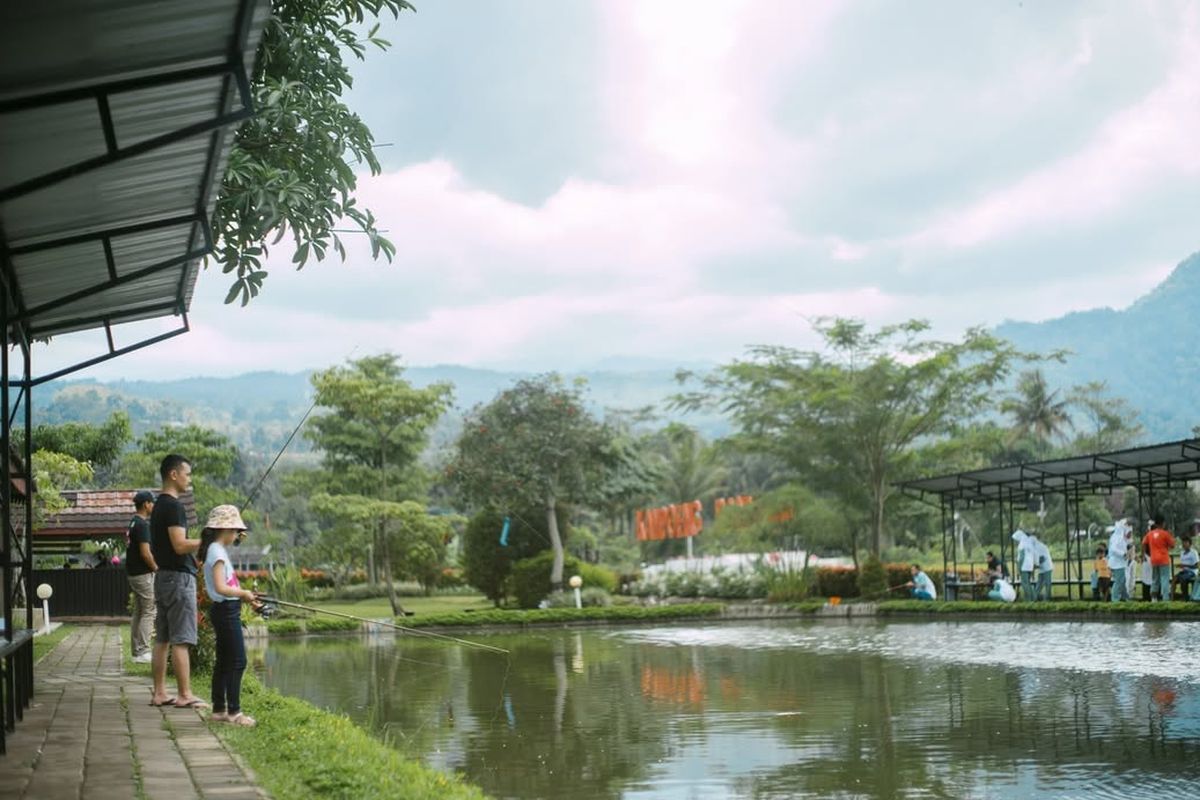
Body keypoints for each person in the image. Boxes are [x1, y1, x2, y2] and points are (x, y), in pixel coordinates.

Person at [150, 454, 205, 709]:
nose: (189, 479)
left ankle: (160, 693)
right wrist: (208, 541)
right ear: (174, 474)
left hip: (163, 577)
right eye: (187, 473)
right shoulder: (174, 506)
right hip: (178, 579)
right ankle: (185, 694)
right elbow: (180, 545)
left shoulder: (158, 505)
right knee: (181, 638)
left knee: (162, 638)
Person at [200, 505, 260, 727]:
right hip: (226, 611)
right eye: (235, 530)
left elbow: (227, 585)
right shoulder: (216, 552)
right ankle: (234, 713)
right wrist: (243, 594)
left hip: (225, 609)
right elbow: (221, 587)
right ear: (225, 529)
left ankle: (219, 710)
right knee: (238, 661)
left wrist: (247, 597)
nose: (237, 535)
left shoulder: (216, 549)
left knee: (224, 661)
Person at [125, 490, 158, 663]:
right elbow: (145, 553)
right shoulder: (143, 525)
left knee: (139, 612)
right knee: (149, 611)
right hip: (142, 574)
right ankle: (144, 651)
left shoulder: (133, 523)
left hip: (133, 573)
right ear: (146, 504)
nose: (153, 506)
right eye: (152, 503)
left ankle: (136, 652)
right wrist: (156, 568)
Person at [1142, 516, 1176, 602]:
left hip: (1154, 559)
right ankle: (1165, 598)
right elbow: (1172, 545)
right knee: (1164, 578)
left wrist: (1144, 554)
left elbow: (1144, 543)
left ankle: (1154, 598)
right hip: (1163, 559)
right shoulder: (1165, 534)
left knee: (1155, 579)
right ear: (1163, 523)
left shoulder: (1150, 534)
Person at [1108, 520, 1133, 602]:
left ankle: (1125, 598)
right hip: (1117, 564)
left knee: (1122, 581)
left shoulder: (1117, 536)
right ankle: (1115, 599)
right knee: (1119, 583)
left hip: (1119, 563)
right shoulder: (1118, 537)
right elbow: (1113, 549)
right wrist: (1123, 554)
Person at [1013, 530, 1037, 602]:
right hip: (1029, 566)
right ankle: (1033, 598)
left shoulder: (1022, 543)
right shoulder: (1030, 542)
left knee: (1025, 584)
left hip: (1024, 567)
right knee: (1028, 583)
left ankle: (1028, 600)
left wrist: (1019, 567)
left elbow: (1021, 557)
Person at [1176, 535, 1198, 601]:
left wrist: (1185, 565)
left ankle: (1185, 597)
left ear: (1190, 544)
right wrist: (1180, 566)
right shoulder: (1182, 553)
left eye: (1186, 542)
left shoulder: (1193, 552)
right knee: (1174, 579)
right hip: (1184, 571)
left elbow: (1197, 566)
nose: (1184, 544)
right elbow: (1183, 566)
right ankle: (1171, 598)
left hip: (1192, 572)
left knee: (1183, 578)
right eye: (1183, 542)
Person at [1034, 536, 1054, 601]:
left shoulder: (1040, 546)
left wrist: (1034, 566)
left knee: (1047, 584)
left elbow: (1042, 558)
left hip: (1047, 568)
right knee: (1039, 584)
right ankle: (1035, 598)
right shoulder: (1035, 546)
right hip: (1041, 568)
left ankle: (1047, 600)